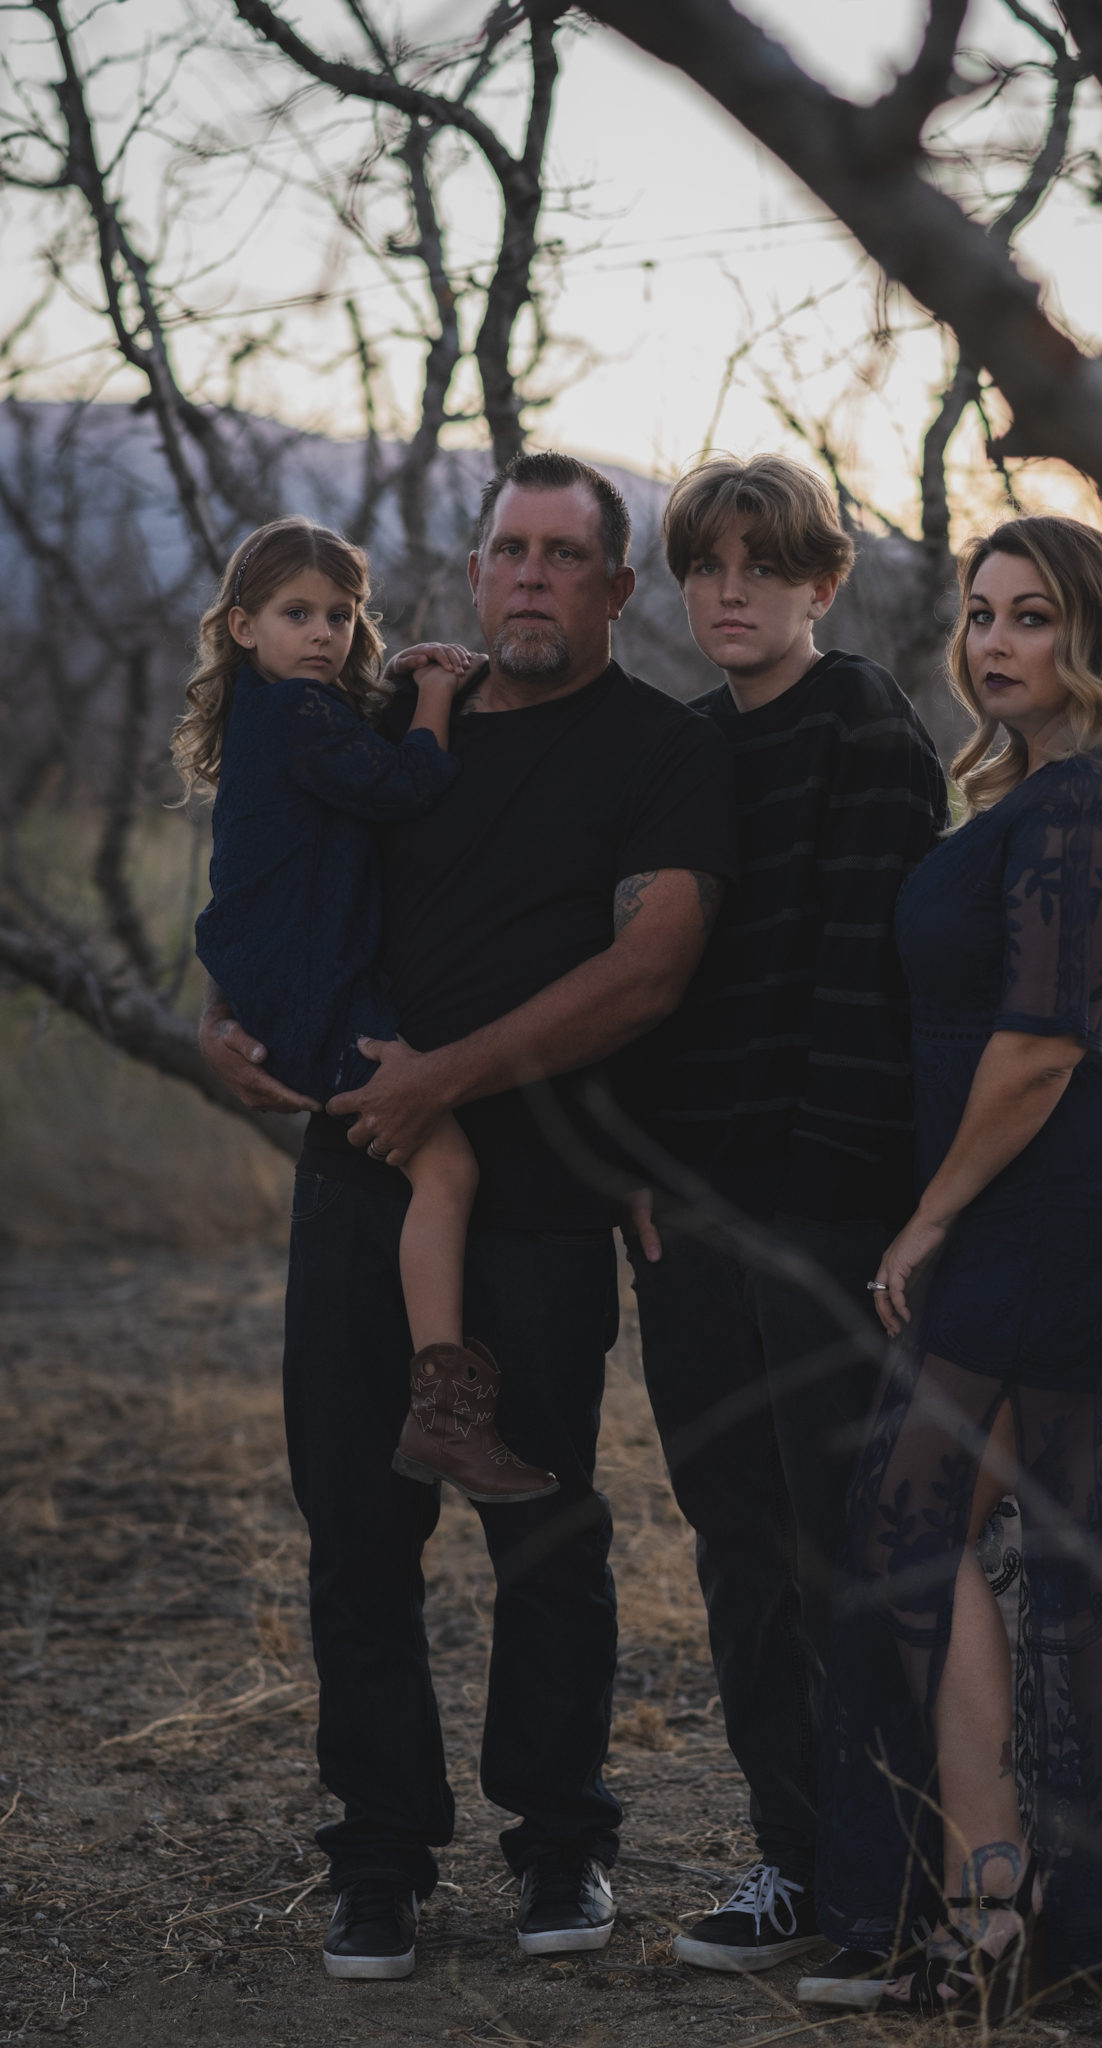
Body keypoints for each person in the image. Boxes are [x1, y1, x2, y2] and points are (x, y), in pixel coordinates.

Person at [198, 453, 737, 1980]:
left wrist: (445, 1079)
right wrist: (219, 1014)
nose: (527, 576)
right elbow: (277, 875)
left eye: (564, 556)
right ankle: (379, 1856)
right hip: (358, 1189)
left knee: (546, 1534)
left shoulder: (659, 748)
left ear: (617, 588)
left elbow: (653, 972)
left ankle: (561, 1843)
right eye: (508, 548)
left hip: (544, 1203)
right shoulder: (376, 720)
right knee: (357, 1540)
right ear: (479, 563)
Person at [799, 516, 1102, 2020]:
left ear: (1097, 634)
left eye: (1032, 616)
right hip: (1057, 1189)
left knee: (920, 1525)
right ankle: (1040, 1912)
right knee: (1013, 1542)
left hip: (1072, 1193)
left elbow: (1043, 1045)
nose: (994, 643)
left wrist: (927, 1218)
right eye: (981, 615)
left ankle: (1016, 1907)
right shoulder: (1045, 791)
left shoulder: (1082, 808)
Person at [622, 456, 947, 1971]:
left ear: (824, 582)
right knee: (735, 1541)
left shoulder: (863, 726)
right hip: (683, 1214)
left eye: (764, 566)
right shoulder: (680, 747)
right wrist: (638, 1169)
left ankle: (896, 1881)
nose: (730, 592)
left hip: (817, 1210)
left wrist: (825, 1211)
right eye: (705, 568)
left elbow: (862, 989)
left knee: (841, 1547)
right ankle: (794, 1859)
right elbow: (648, 984)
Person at [181, 517, 557, 1512]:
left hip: (287, 975)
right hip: (313, 990)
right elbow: (406, 786)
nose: (323, 633)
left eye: (340, 614)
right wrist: (434, 693)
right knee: (448, 1162)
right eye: (296, 613)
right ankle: (441, 1407)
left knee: (436, 1166)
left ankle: (435, 1397)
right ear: (242, 626)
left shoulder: (277, 714)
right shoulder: (299, 719)